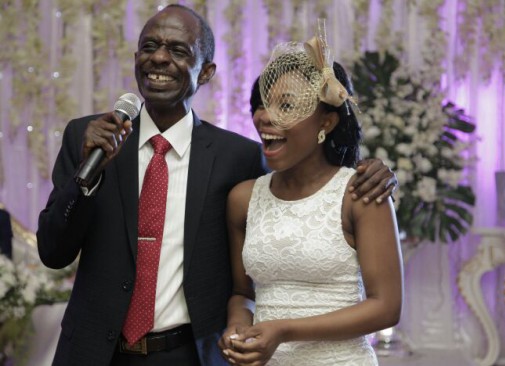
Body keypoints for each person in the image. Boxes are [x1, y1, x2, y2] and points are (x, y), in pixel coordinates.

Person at [37, 5, 397, 366]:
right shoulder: (88, 138)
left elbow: (303, 189)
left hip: (188, 354)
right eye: (149, 47)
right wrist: (87, 178)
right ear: (136, 58)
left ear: (206, 72)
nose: (159, 58)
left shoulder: (239, 157)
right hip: (92, 354)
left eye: (178, 50)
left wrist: (374, 171)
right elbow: (53, 252)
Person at [219, 29, 403, 366]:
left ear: (327, 121)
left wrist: (284, 330)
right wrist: (237, 327)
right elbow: (243, 294)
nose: (266, 116)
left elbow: (386, 307)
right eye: (261, 104)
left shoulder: (360, 193)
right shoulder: (243, 199)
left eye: (286, 104)